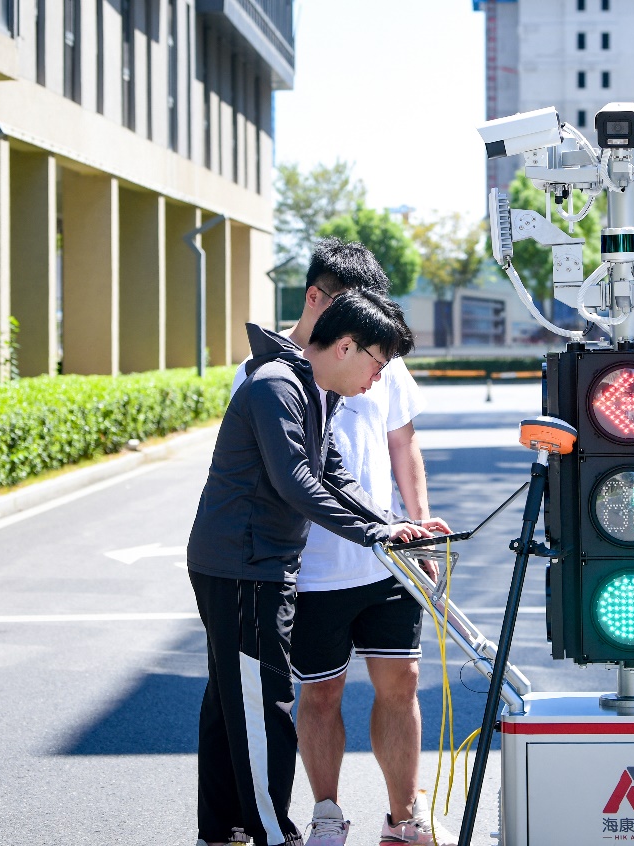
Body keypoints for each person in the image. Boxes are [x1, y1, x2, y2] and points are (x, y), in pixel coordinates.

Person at [187, 286, 449, 846]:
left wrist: (394, 527)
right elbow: (296, 482)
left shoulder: (315, 391)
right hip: (241, 567)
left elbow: (335, 475)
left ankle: (227, 832)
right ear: (348, 346)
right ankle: (270, 834)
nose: (378, 381)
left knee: (234, 705)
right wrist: (375, 529)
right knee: (263, 712)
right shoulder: (275, 388)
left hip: (259, 565)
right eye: (377, 366)